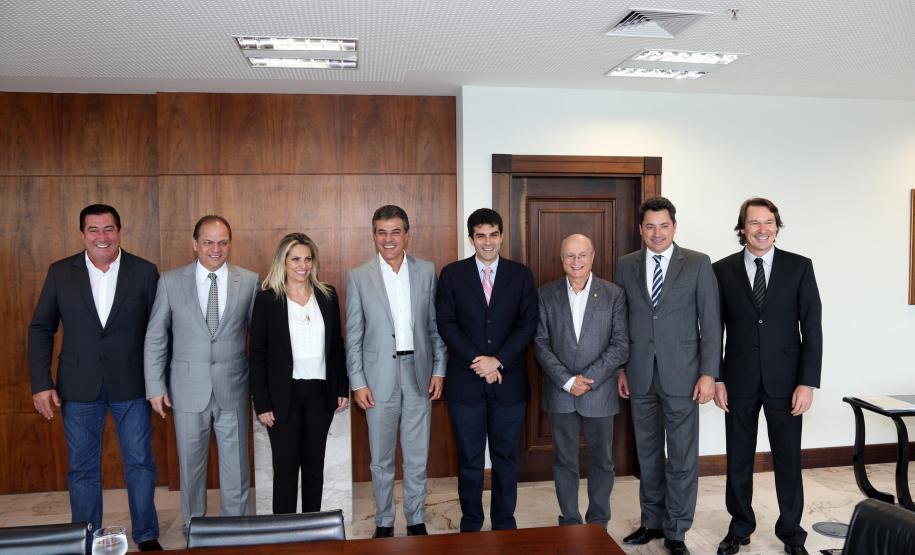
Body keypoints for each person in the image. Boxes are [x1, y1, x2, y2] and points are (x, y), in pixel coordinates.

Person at [29, 204, 162, 551]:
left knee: (139, 462)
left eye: (108, 229)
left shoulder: (145, 272)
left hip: (132, 383)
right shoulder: (60, 272)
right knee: (82, 468)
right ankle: (87, 538)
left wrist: (159, 381)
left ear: (119, 231)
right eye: (93, 230)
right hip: (77, 384)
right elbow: (41, 327)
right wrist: (41, 383)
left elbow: (159, 331)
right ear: (82, 234)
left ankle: (147, 535)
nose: (102, 237)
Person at [713, 198, 822, 555]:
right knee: (738, 458)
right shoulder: (722, 270)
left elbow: (813, 328)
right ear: (741, 228)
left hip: (787, 382)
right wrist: (717, 378)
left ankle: (791, 533)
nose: (762, 229)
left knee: (788, 460)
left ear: (777, 226)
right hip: (739, 379)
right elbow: (714, 329)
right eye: (754, 223)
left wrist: (807, 382)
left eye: (769, 222)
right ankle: (740, 526)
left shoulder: (799, 267)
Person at [614, 196, 721, 555]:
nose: (656, 233)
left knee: (681, 457)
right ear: (640, 229)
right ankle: (651, 522)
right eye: (650, 226)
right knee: (647, 455)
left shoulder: (697, 263)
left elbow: (711, 323)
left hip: (684, 377)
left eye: (663, 226)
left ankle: (676, 530)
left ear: (674, 227)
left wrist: (709, 374)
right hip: (640, 375)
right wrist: (623, 369)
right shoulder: (626, 265)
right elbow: (622, 323)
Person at [144, 215, 258, 528]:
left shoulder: (248, 280)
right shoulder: (169, 281)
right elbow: (155, 336)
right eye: (208, 242)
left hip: (233, 388)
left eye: (222, 242)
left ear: (230, 244)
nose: (215, 249)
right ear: (195, 244)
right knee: (191, 468)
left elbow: (258, 339)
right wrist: (154, 386)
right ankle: (194, 529)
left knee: (236, 468)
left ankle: (237, 530)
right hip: (187, 389)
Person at [345, 205, 446, 538]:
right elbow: (354, 335)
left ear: (407, 234)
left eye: (395, 232)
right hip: (377, 379)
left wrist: (439, 370)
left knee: (417, 456)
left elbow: (435, 327)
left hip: (418, 373)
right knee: (381, 459)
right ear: (374, 235)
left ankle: (415, 519)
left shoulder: (426, 271)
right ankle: (384, 522)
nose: (388, 239)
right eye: (381, 232)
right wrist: (357, 382)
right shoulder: (359, 276)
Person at [436, 208, 538, 532]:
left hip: (509, 385)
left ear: (502, 236)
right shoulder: (452, 274)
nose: (488, 241)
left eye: (493, 234)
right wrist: (479, 361)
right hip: (466, 385)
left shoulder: (521, 275)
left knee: (506, 459)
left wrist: (498, 361)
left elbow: (527, 325)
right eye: (481, 235)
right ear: (471, 239)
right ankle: (471, 525)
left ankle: (505, 525)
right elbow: (446, 324)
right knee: (469, 461)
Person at [534, 233, 629, 530]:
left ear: (593, 256)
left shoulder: (613, 294)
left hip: (598, 392)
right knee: (565, 462)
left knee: (602, 461)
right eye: (570, 256)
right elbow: (540, 343)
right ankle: (570, 522)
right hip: (561, 393)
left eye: (582, 255)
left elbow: (621, 344)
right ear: (561, 259)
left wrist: (588, 380)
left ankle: (598, 521)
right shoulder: (545, 294)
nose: (576, 262)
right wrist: (566, 381)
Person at [249, 233, 349, 514]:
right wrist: (263, 403)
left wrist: (342, 387)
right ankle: (285, 533)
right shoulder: (267, 300)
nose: (302, 265)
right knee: (285, 470)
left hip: (320, 394)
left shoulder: (327, 296)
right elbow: (257, 355)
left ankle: (313, 528)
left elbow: (337, 347)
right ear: (283, 261)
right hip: (283, 397)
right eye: (295, 259)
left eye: (307, 258)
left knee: (315, 467)